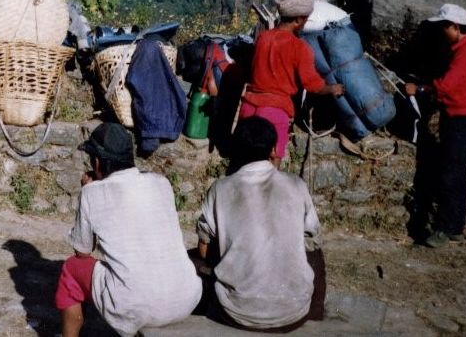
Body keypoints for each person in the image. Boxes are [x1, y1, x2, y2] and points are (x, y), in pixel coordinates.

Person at [54, 122, 202, 337]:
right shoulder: (161, 183)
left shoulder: (92, 193)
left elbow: (82, 251)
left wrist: (88, 189)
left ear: (96, 162)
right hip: (187, 298)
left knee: (71, 268)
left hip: (136, 305)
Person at [196, 116, 326, 331]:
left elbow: (203, 249)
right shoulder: (296, 185)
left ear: (235, 150)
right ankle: (315, 311)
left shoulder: (221, 188)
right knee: (313, 248)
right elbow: (312, 241)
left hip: (236, 313)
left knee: (194, 260)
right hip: (293, 314)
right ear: (274, 149)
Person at [405, 3, 466, 248]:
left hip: (462, 120)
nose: (441, 31)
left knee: (450, 174)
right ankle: (455, 226)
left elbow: (447, 85)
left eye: (444, 27)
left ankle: (445, 228)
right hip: (457, 118)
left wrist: (419, 89)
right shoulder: (460, 51)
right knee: (456, 173)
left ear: (456, 27)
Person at [241, 0, 344, 166]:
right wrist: (332, 88)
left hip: (249, 108)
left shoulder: (263, 38)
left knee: (244, 162)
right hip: (274, 111)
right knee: (272, 164)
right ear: (298, 20)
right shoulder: (300, 48)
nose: (305, 24)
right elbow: (312, 85)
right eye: (305, 20)